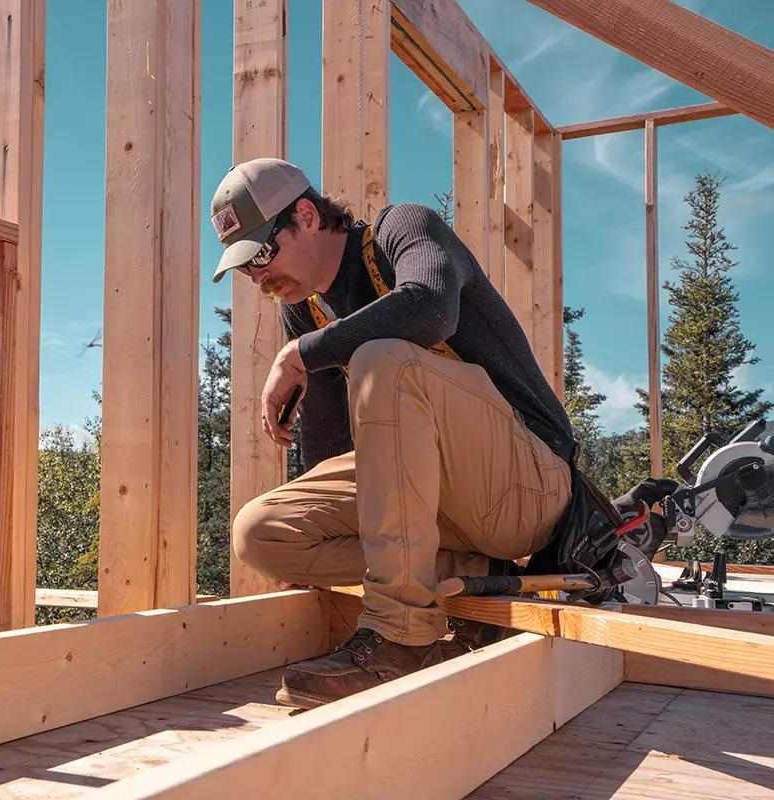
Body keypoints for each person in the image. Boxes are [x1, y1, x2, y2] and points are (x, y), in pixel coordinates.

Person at [209, 158, 576, 709]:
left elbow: (430, 309)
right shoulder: (305, 308)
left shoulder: (403, 229)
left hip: (530, 488)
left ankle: (401, 638)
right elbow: (334, 446)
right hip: (441, 512)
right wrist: (313, 551)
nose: (257, 276)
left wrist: (305, 354)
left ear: (307, 215)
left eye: (260, 255)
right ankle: (483, 575)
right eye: (244, 269)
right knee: (260, 532)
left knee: (383, 360)